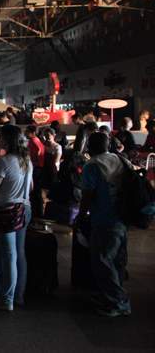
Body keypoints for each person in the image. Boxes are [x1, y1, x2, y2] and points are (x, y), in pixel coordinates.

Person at [0, 124, 33, 312]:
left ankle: (6, 299)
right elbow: (32, 186)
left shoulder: (4, 162)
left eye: (1, 137)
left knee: (8, 256)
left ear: (7, 140)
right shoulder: (26, 160)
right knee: (19, 254)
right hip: (25, 208)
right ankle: (18, 295)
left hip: (7, 211)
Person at [79, 132, 131, 317]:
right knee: (117, 260)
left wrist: (81, 216)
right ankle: (111, 295)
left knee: (102, 260)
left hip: (104, 219)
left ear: (89, 146)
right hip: (123, 218)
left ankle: (118, 302)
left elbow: (87, 196)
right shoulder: (121, 160)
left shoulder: (92, 166)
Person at [25, 125, 45, 217]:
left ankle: (36, 214)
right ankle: (38, 213)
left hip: (35, 168)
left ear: (32, 132)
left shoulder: (33, 141)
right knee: (37, 192)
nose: (25, 132)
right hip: (39, 168)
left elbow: (35, 154)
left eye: (27, 131)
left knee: (34, 192)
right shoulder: (37, 140)